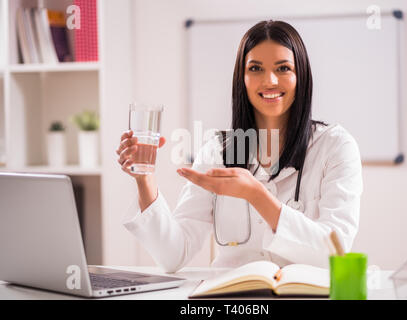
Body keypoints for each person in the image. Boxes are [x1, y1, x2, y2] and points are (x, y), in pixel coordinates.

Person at [116, 20, 363, 273]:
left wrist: (256, 195)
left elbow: (337, 254)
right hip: (234, 297)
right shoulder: (219, 150)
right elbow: (173, 255)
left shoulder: (334, 146)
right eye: (255, 68)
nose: (269, 80)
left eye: (283, 68)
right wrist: (144, 179)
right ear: (241, 78)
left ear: (301, 76)